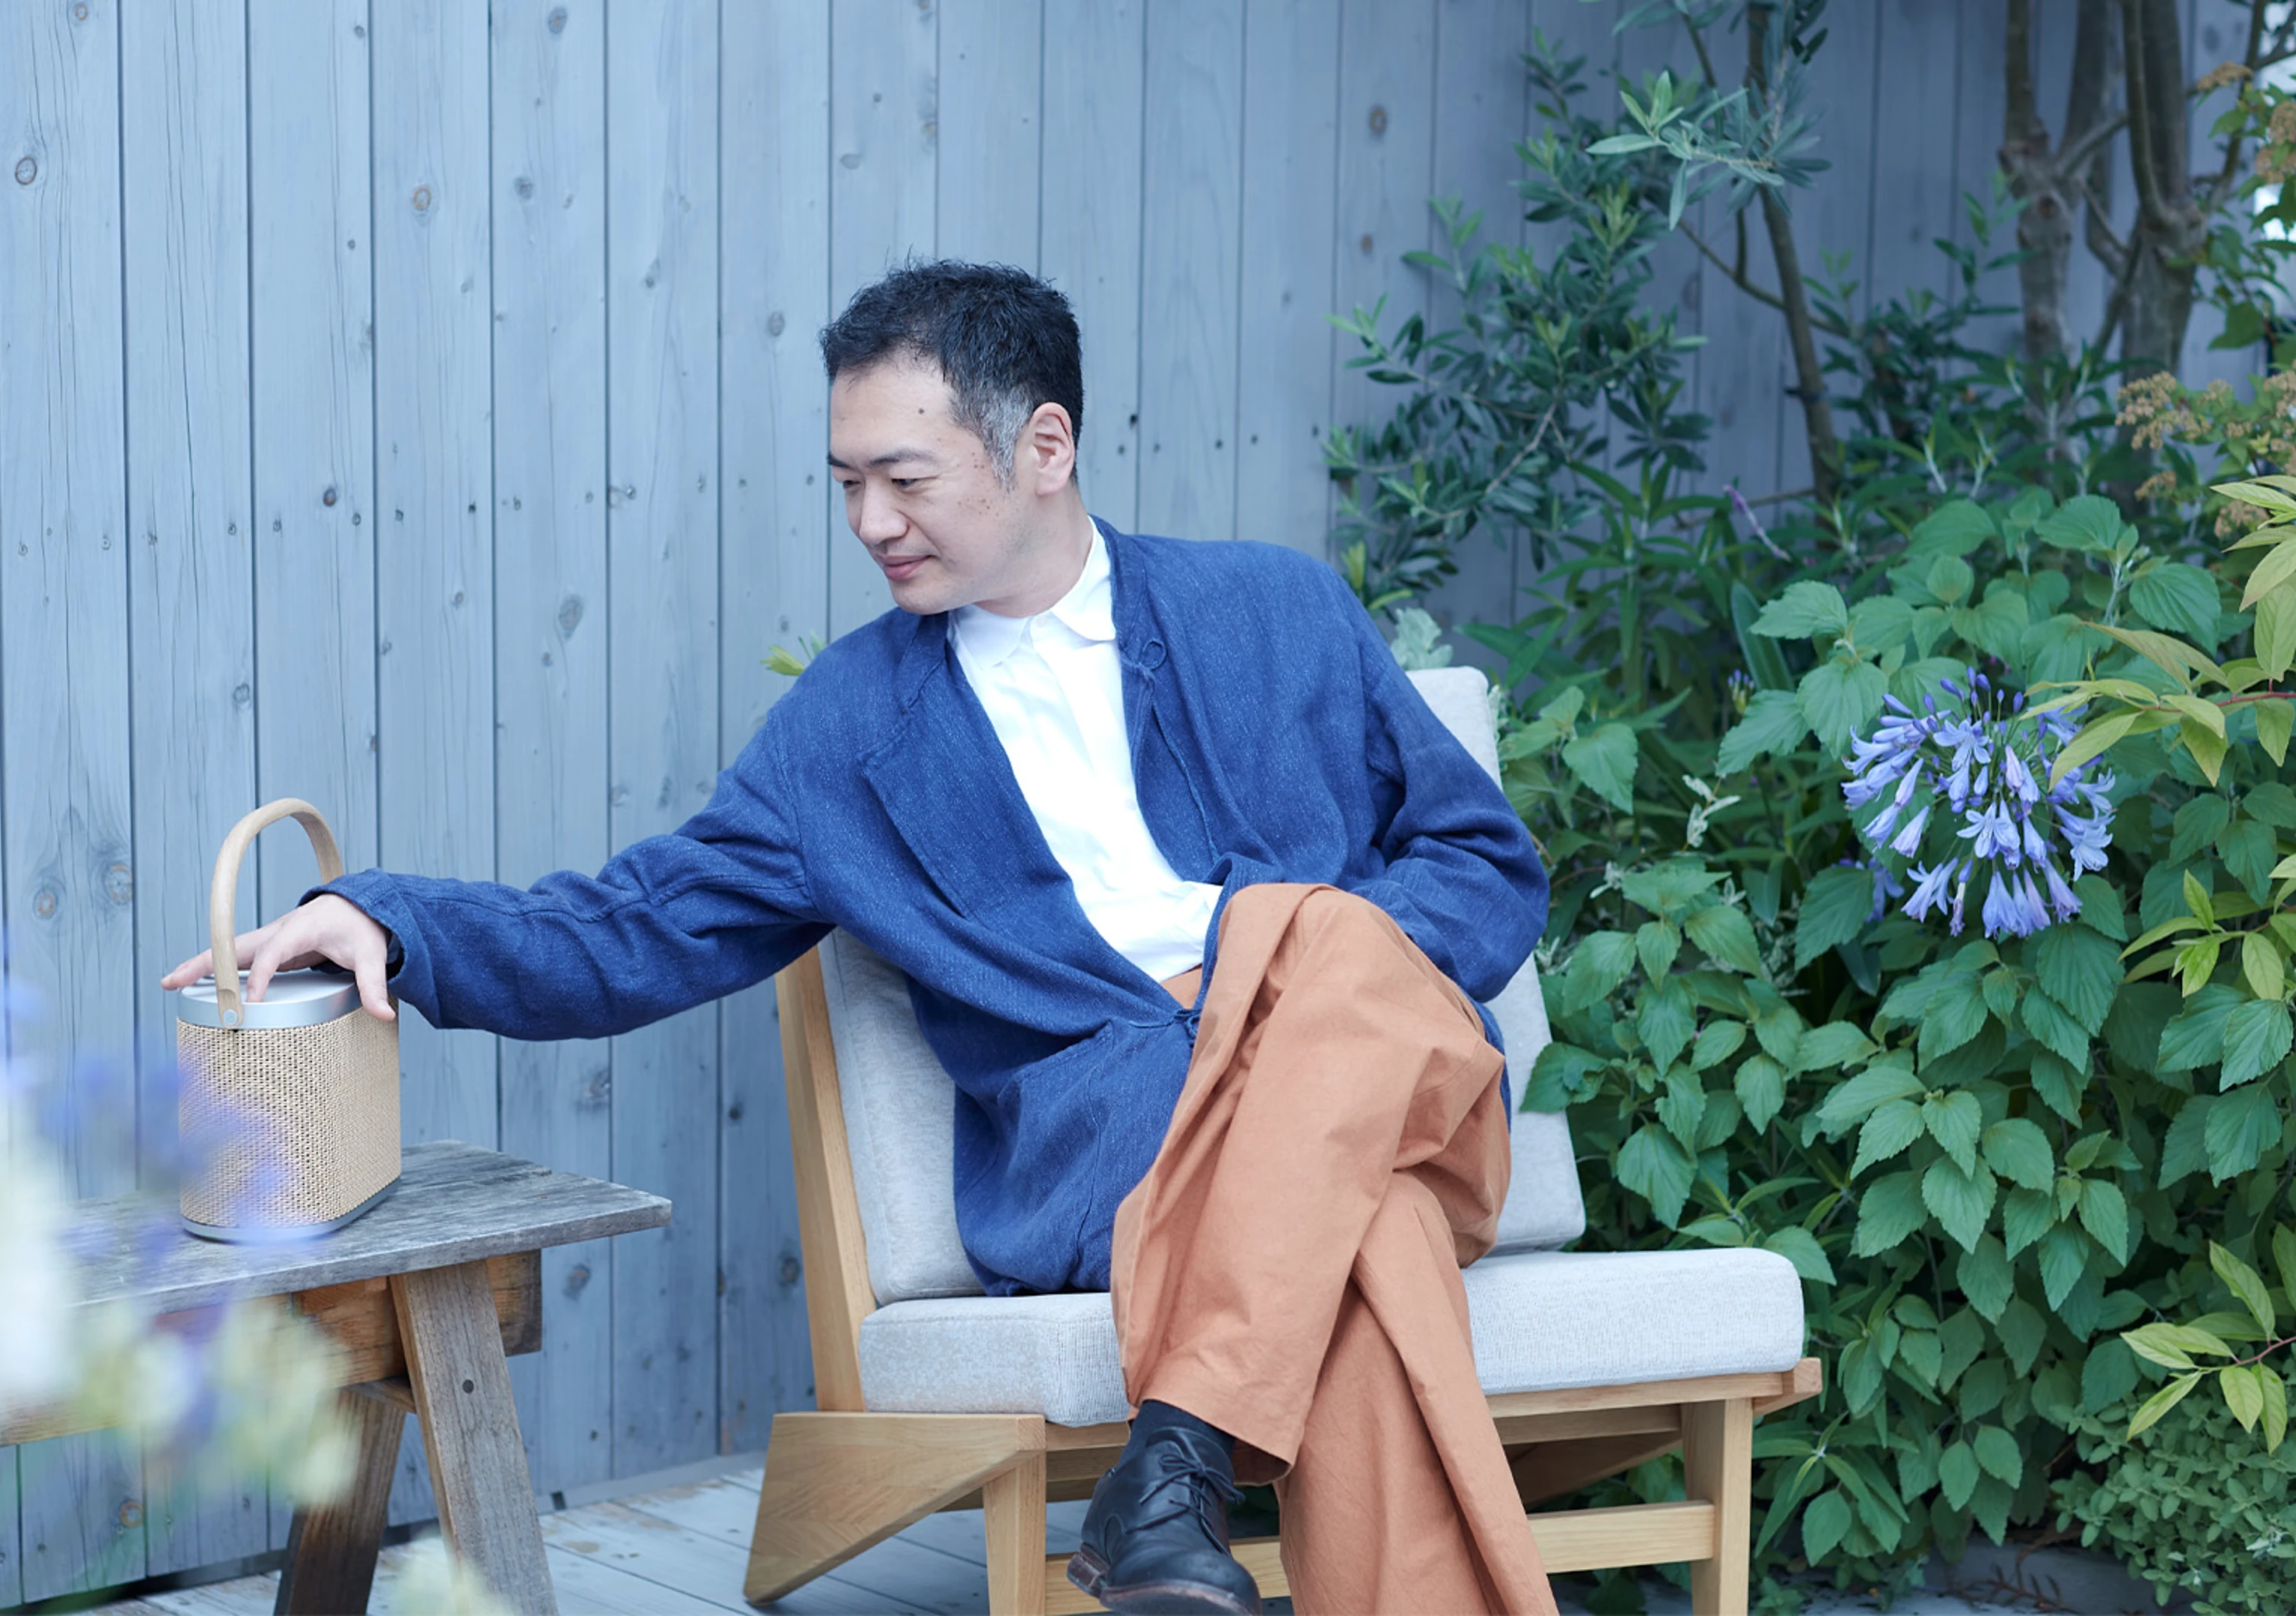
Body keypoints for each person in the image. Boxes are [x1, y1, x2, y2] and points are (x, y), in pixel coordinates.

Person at [161, 260, 1552, 1615]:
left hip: (1380, 1084)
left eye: (906, 478)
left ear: (1043, 446)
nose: (872, 521)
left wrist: (1287, 963)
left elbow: (1485, 867)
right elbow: (639, 923)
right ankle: (1174, 1468)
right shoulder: (849, 735)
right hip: (1125, 1146)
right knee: (1370, 1236)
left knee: (1317, 943)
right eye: (846, 485)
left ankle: (1174, 1463)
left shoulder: (1276, 612)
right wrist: (393, 923)